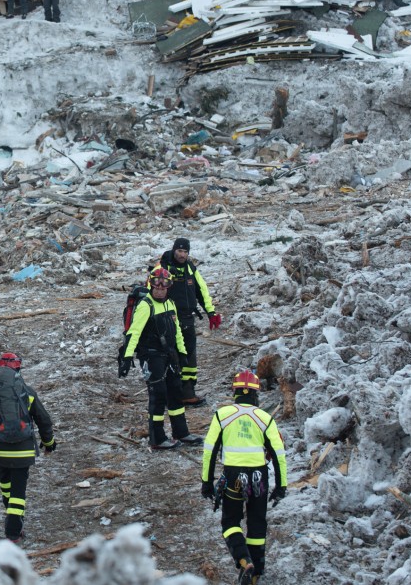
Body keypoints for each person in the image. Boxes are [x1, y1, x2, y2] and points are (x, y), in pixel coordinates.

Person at [201, 370, 287, 585]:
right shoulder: (265, 418)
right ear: (256, 394)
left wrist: (207, 482)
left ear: (235, 392)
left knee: (230, 521)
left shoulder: (222, 415)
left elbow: (209, 451)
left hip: (233, 476)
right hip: (259, 477)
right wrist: (281, 486)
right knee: (257, 522)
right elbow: (279, 454)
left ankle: (243, 560)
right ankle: (256, 572)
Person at [0, 352, 55, 543]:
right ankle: (13, 531)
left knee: (6, 482)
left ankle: (11, 514)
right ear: (17, 370)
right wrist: (49, 443)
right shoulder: (26, 391)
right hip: (23, 450)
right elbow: (44, 420)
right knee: (18, 491)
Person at [121, 267, 202, 450]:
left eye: (163, 286)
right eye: (156, 286)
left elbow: (177, 331)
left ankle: (181, 432)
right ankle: (157, 438)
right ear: (151, 285)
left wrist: (182, 353)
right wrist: (127, 357)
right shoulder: (145, 306)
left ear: (168, 287)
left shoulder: (170, 304)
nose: (160, 289)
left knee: (176, 392)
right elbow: (133, 333)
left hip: (169, 355)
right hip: (152, 355)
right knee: (158, 395)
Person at [154, 237, 220, 407]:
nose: (182, 255)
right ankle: (170, 394)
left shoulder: (190, 268)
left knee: (189, 356)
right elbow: (152, 293)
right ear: (174, 250)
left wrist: (211, 312)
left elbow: (202, 290)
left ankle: (188, 393)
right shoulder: (162, 268)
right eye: (179, 251)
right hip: (168, 319)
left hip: (187, 318)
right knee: (172, 355)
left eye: (185, 252)